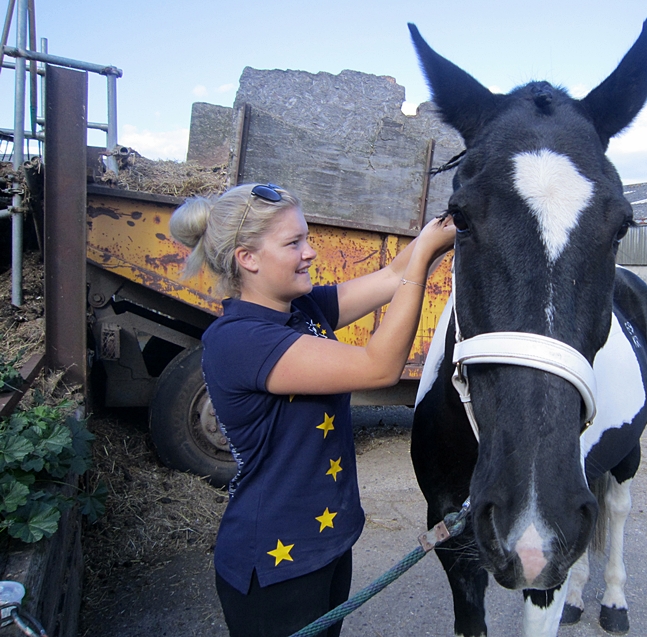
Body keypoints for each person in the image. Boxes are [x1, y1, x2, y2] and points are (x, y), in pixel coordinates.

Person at [168, 182, 456, 637]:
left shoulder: (301, 310)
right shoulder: (239, 340)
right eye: (293, 243)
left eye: (306, 238)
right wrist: (423, 259)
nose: (310, 252)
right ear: (248, 258)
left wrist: (444, 229)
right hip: (276, 566)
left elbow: (390, 277)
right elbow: (379, 367)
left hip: (324, 543)